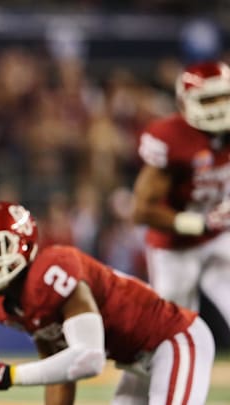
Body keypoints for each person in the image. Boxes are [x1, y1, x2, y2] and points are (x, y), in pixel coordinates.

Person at [0, 201, 214, 404]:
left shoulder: (53, 269)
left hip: (174, 338)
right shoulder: (6, 304)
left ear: (20, 244)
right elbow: (60, 372)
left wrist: (10, 376)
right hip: (136, 358)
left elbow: (89, 358)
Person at [132, 60, 230, 344]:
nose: (220, 106)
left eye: (224, 97)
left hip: (220, 234)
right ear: (185, 104)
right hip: (175, 246)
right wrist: (200, 223)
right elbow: (141, 211)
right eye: (209, 99)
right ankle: (142, 388)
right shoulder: (172, 137)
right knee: (168, 333)